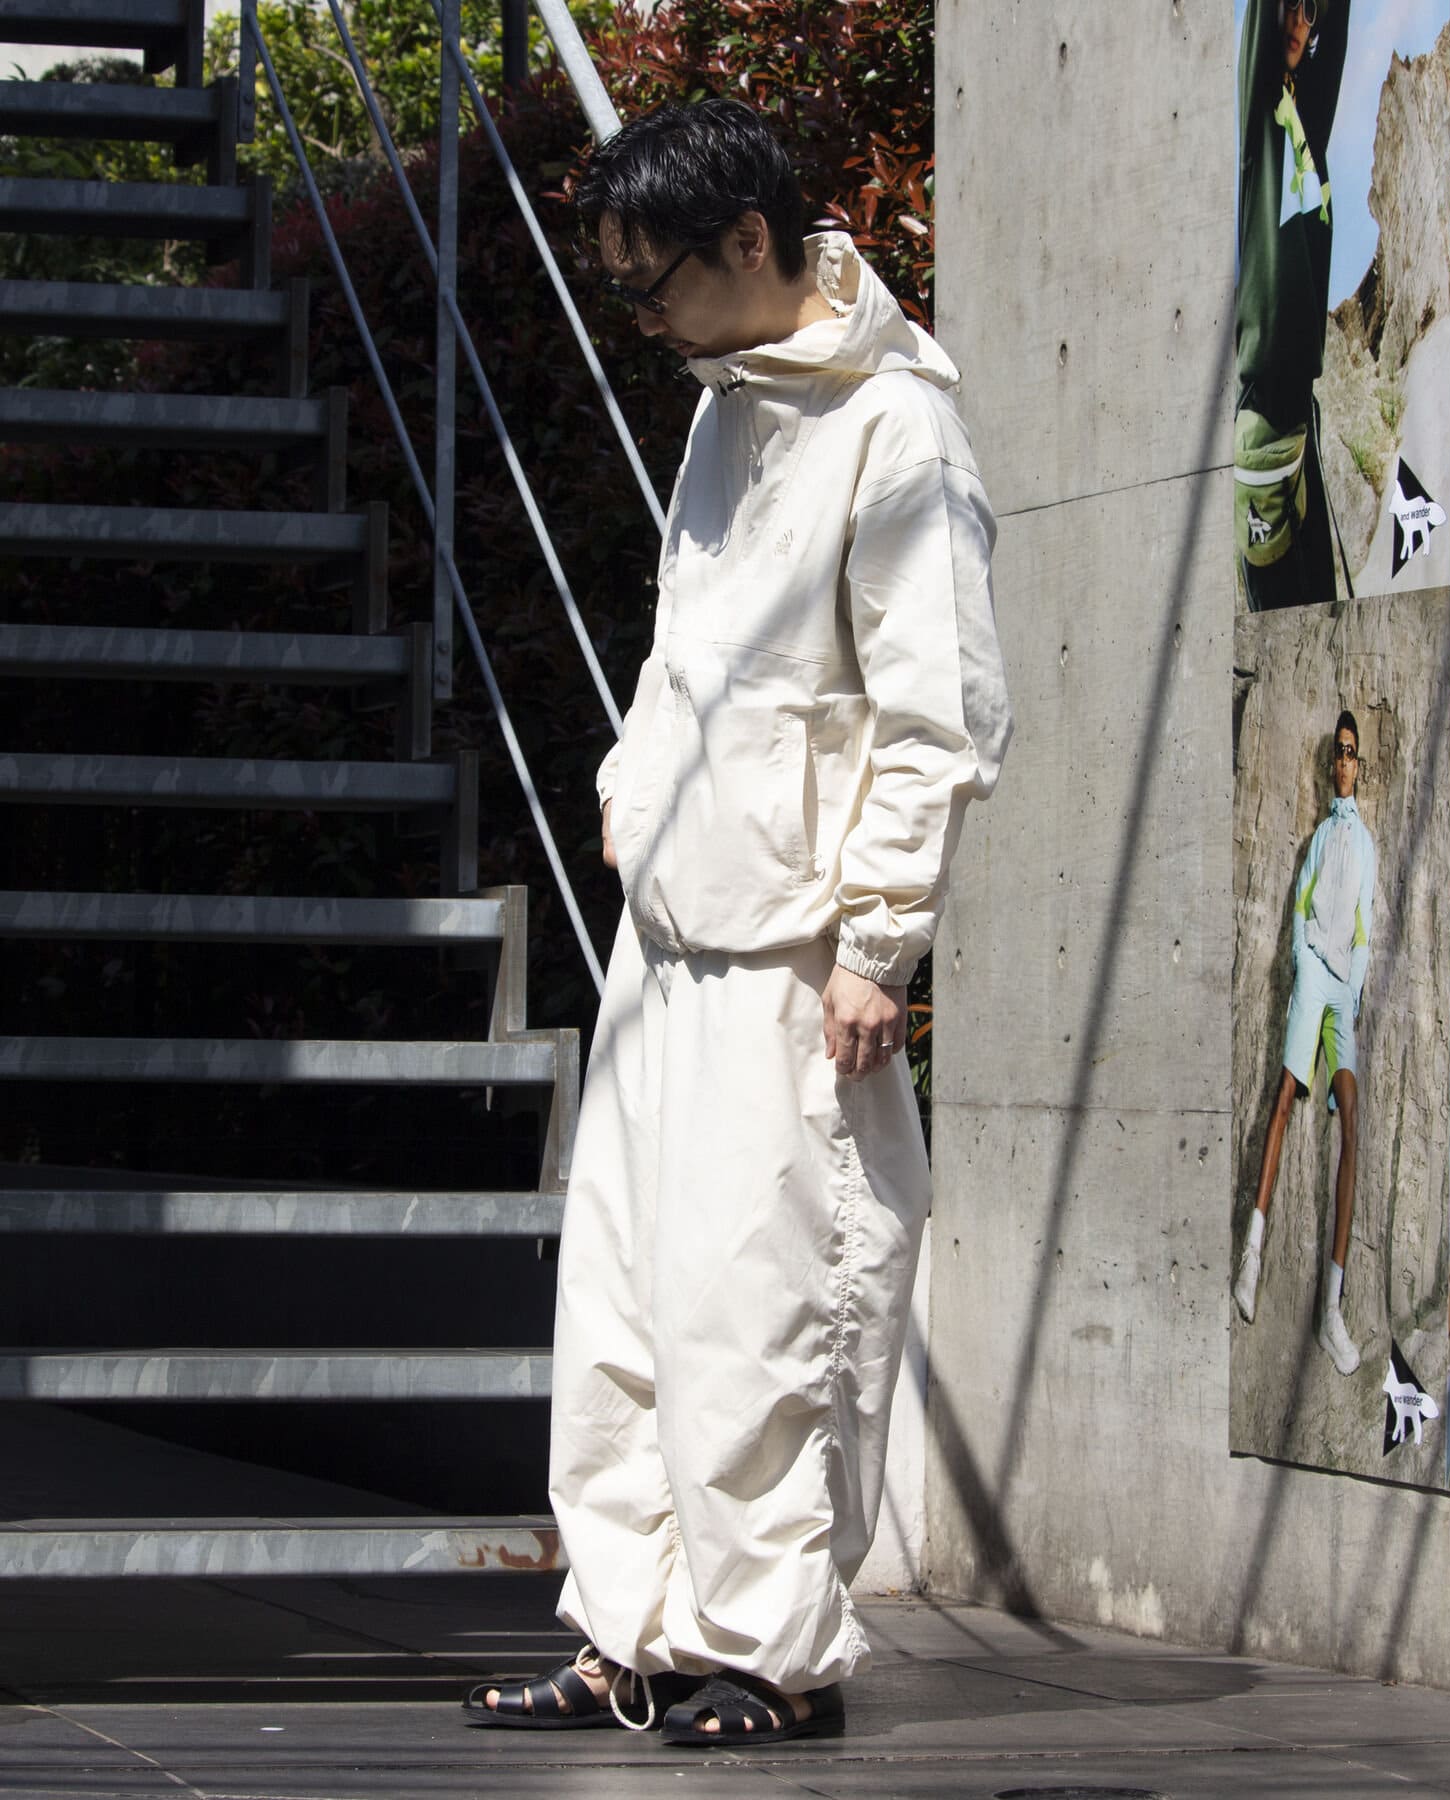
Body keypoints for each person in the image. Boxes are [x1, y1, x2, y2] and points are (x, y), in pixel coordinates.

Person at [463, 98, 1011, 1744]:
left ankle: (770, 1654)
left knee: (773, 1310)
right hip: (670, 934)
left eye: (652, 281)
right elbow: (684, 647)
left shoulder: (897, 429)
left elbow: (938, 710)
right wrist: (629, 787)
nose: (640, 317)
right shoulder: (728, 407)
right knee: (626, 1309)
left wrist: (879, 942)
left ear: (751, 241)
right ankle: (626, 1629)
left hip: (791, 950)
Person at [1233, 711, 1374, 1376]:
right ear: (1331, 766)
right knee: (1284, 1097)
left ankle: (1331, 1311)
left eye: (1351, 752)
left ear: (1360, 766)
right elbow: (1301, 903)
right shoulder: (1320, 837)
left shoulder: (1366, 843)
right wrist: (1301, 958)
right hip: (1314, 969)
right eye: (1338, 752)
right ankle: (1251, 1256)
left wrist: (1355, 989)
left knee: (1352, 1126)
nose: (1344, 761)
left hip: (1345, 985)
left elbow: (1366, 921)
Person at [1234, 0, 1349, 609]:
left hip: (1300, 407)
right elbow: (1264, 25)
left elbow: (1336, 36)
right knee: (1280, 616)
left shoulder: (1308, 128)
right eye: (1291, 8)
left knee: (1322, 609)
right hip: (1265, 411)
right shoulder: (1263, 117)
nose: (1300, 23)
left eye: (1310, 12)